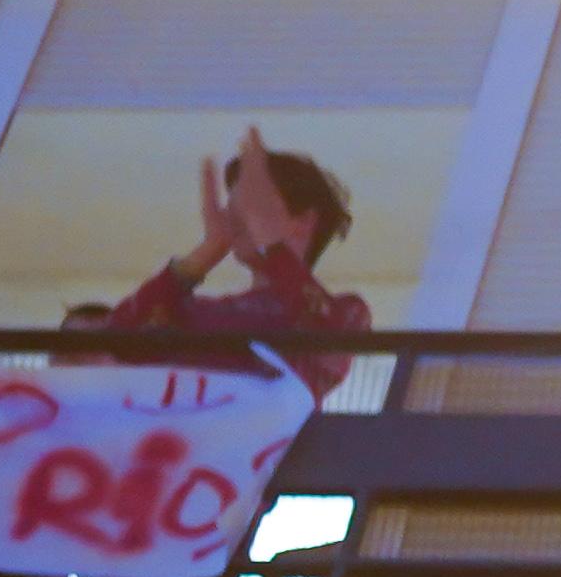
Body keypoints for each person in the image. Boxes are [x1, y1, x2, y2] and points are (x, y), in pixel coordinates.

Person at [80, 130, 373, 385]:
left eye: (254, 203)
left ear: (304, 220)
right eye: (235, 205)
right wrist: (208, 251)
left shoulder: (346, 312)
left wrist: (271, 244)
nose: (236, 215)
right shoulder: (196, 312)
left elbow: (326, 341)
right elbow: (118, 341)